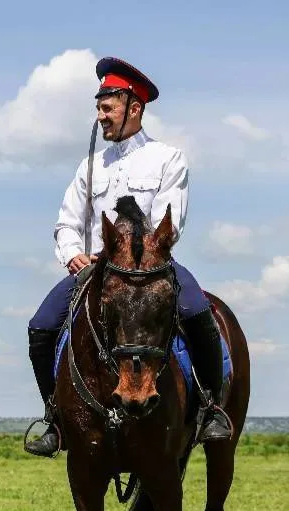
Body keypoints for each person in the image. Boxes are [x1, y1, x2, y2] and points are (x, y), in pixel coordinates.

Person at [24, 57, 232, 457]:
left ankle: (209, 408)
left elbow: (170, 222)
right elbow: (67, 222)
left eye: (108, 108)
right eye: (98, 108)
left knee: (196, 311)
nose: (100, 116)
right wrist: (72, 255)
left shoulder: (168, 158)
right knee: (41, 325)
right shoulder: (88, 167)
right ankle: (54, 417)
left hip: (153, 267)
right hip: (97, 269)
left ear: (133, 108)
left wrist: (137, 253)